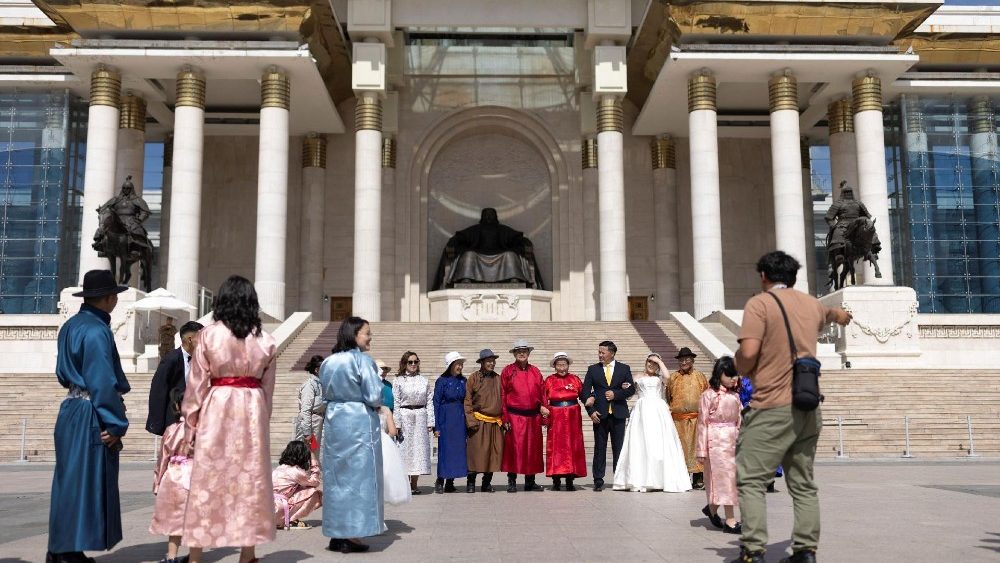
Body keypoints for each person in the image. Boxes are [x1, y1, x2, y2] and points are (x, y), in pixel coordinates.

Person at [733, 250, 852, 563]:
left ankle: (753, 551)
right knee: (803, 484)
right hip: (808, 406)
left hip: (771, 406)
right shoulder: (811, 304)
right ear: (793, 277)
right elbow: (832, 313)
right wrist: (842, 316)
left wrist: (739, 363)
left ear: (763, 276)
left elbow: (748, 353)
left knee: (751, 480)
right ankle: (805, 551)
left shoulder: (760, 304)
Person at [180, 275, 277, 563]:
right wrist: (263, 420)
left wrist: (190, 426)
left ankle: (195, 555)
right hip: (252, 408)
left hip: (217, 406)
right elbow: (268, 389)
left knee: (207, 479)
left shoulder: (208, 335)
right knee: (251, 479)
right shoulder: (265, 340)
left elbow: (196, 385)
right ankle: (248, 554)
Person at [47, 270, 131, 563]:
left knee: (68, 483)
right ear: (109, 298)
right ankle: (67, 553)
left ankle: (63, 548)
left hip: (71, 408)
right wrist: (116, 423)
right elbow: (102, 382)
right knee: (85, 484)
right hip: (90, 411)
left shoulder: (70, 326)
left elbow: (62, 373)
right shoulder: (96, 331)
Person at [320, 317, 383, 554]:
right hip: (358, 421)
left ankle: (337, 532)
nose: (370, 337)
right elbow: (374, 395)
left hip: (335, 419)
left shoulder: (328, 361)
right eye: (367, 333)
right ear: (354, 335)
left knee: (336, 478)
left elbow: (324, 390)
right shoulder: (362, 361)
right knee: (359, 478)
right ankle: (353, 534)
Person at [611, 353, 690, 493]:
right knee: (640, 442)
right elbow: (629, 392)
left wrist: (660, 361)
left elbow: (668, 377)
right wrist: (624, 387)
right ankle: (640, 478)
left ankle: (660, 479)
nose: (651, 365)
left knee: (659, 442)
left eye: (654, 363)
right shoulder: (637, 376)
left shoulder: (660, 378)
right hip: (641, 411)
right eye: (649, 362)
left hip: (658, 411)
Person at [579, 340, 635, 492]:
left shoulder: (624, 368)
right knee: (599, 448)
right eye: (599, 352)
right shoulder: (593, 369)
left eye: (602, 352)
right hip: (599, 415)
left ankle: (619, 479)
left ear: (612, 353)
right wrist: (591, 411)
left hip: (618, 414)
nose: (600, 355)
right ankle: (598, 479)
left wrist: (616, 394)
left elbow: (631, 389)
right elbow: (584, 393)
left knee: (619, 448)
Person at [696, 356, 743, 534]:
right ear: (719, 374)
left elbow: (740, 420)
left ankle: (712, 508)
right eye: (729, 375)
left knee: (733, 479)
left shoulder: (735, 396)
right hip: (716, 442)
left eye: (735, 375)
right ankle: (730, 520)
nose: (733, 378)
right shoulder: (708, 395)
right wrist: (701, 449)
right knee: (725, 479)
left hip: (733, 440)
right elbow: (702, 423)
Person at [149, 388, 192, 563]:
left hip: (174, 475)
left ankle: (172, 556)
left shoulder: (172, 429)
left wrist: (157, 482)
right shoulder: (203, 429)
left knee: (174, 518)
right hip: (195, 475)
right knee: (195, 517)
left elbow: (163, 458)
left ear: (177, 406)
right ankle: (194, 556)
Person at [500, 338, 546, 492]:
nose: (522, 354)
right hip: (515, 416)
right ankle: (512, 481)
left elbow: (543, 392)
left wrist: (544, 409)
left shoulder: (535, 371)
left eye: (524, 351)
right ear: (514, 354)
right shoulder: (508, 371)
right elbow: (502, 395)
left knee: (532, 450)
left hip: (533, 417)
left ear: (528, 353)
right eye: (518, 351)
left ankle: (530, 481)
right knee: (514, 449)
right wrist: (505, 417)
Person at [147, 321, 203, 437]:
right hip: (175, 420)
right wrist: (157, 424)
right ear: (190, 339)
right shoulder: (171, 359)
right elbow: (158, 390)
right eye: (202, 338)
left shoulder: (201, 360)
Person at [542, 352, 587, 491]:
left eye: (564, 365)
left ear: (568, 365)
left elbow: (584, 394)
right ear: (555, 366)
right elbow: (543, 399)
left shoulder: (575, 379)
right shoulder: (549, 380)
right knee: (556, 447)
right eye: (559, 365)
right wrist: (544, 415)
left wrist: (591, 398)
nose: (562, 368)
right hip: (556, 417)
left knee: (572, 445)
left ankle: (570, 479)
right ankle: (556, 479)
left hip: (573, 417)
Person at [666, 346, 709, 489]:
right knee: (680, 450)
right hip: (678, 420)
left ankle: (698, 479)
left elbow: (707, 395)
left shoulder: (700, 376)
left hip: (697, 419)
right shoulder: (673, 377)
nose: (684, 362)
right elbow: (668, 397)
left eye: (687, 359)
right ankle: (682, 479)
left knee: (698, 449)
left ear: (692, 361)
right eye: (681, 360)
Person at [392, 351, 434, 494]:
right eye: (410, 362)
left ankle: (414, 484)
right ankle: (404, 484)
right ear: (404, 363)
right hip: (405, 416)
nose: (413, 364)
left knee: (418, 451)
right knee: (405, 451)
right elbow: (396, 403)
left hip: (421, 416)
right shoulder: (398, 380)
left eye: (416, 361)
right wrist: (397, 423)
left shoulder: (424, 380)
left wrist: (430, 421)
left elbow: (429, 401)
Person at [464, 349, 504, 493]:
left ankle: (486, 483)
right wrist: (471, 421)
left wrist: (504, 419)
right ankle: (471, 483)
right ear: (482, 362)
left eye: (493, 361)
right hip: (479, 421)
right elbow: (467, 400)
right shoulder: (474, 378)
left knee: (493, 454)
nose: (491, 363)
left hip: (495, 422)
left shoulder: (498, 379)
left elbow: (504, 399)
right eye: (488, 361)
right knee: (475, 454)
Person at [433, 352, 469, 493]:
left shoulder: (463, 381)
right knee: (445, 451)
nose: (460, 367)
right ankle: (440, 480)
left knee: (457, 451)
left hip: (459, 419)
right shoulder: (441, 381)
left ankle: (450, 482)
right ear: (450, 365)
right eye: (457, 364)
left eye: (461, 364)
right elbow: (436, 403)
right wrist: (437, 425)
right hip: (445, 419)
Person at [272, 440, 322, 530]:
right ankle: (291, 520)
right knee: (314, 493)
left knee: (301, 487)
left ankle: (283, 519)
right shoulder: (295, 471)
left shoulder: (279, 468)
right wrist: (313, 459)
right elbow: (315, 482)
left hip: (268, 508)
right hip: (278, 511)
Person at [378, 406, 411, 506]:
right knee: (386, 471)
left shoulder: (364, 408)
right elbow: (393, 431)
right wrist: (385, 437)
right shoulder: (386, 410)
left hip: (367, 441)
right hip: (383, 441)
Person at [295, 355, 326, 451]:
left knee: (316, 453)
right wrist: (307, 432)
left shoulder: (321, 384)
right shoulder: (309, 385)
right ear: (317, 370)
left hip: (318, 422)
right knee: (311, 452)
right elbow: (305, 410)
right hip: (311, 423)